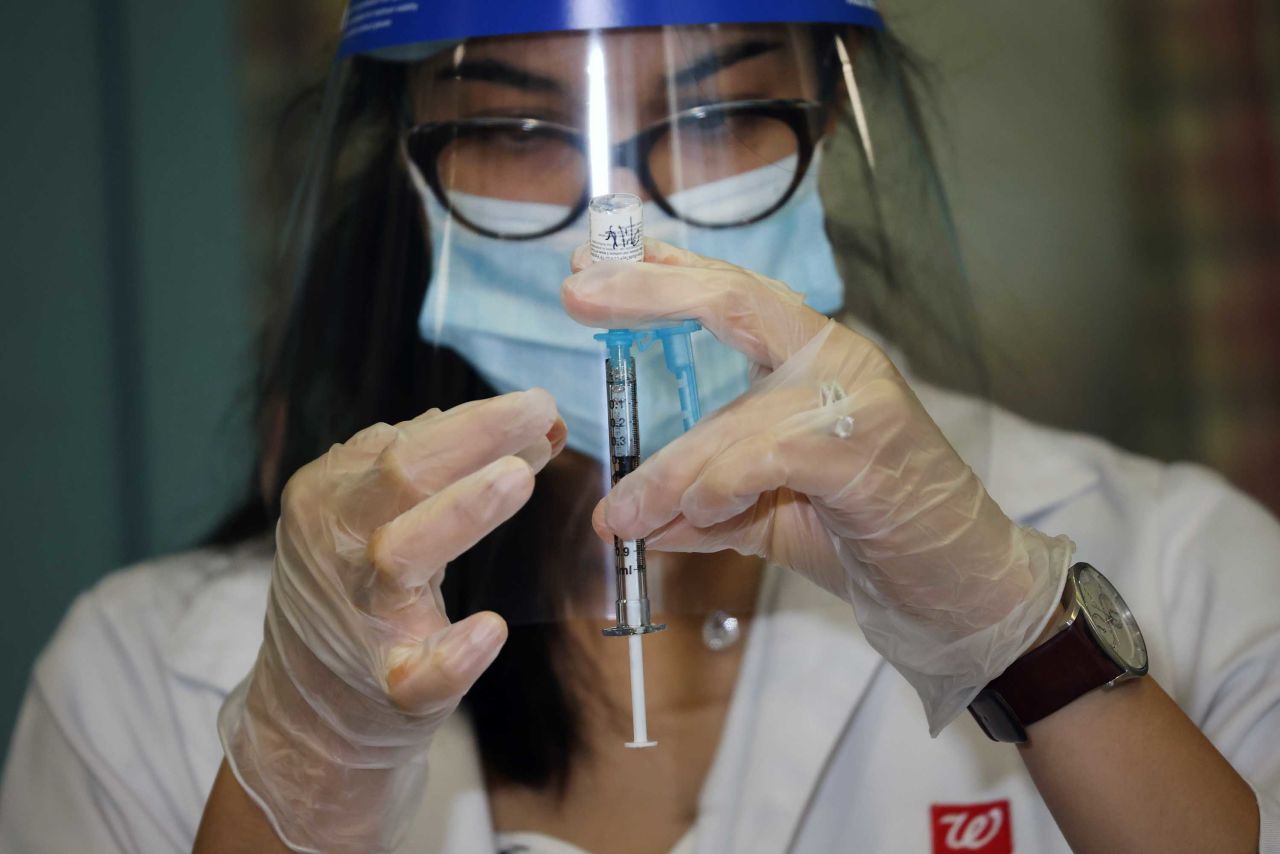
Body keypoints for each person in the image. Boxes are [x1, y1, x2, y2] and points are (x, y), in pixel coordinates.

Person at [2, 3, 1278, 853]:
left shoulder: (1181, 562)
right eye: (509, 126)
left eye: (718, 114)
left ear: (824, 129)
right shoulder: (135, 678)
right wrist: (301, 760)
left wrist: (1027, 639)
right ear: (409, 164)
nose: (616, 216)